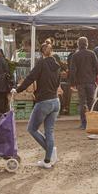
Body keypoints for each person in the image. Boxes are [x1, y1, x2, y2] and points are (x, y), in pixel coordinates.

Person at [13, 40, 61, 169]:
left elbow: (30, 78)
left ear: (42, 53)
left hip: (44, 102)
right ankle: (47, 160)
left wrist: (17, 90)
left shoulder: (41, 63)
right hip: (55, 102)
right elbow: (57, 84)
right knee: (49, 131)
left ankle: (50, 153)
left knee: (32, 129)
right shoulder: (57, 65)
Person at [69, 37, 98, 130]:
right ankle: (93, 122)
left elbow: (72, 70)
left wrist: (73, 83)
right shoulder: (92, 54)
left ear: (78, 44)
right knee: (92, 103)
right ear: (87, 44)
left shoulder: (75, 55)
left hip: (80, 83)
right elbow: (97, 67)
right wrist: (94, 76)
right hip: (91, 82)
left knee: (82, 103)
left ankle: (84, 123)